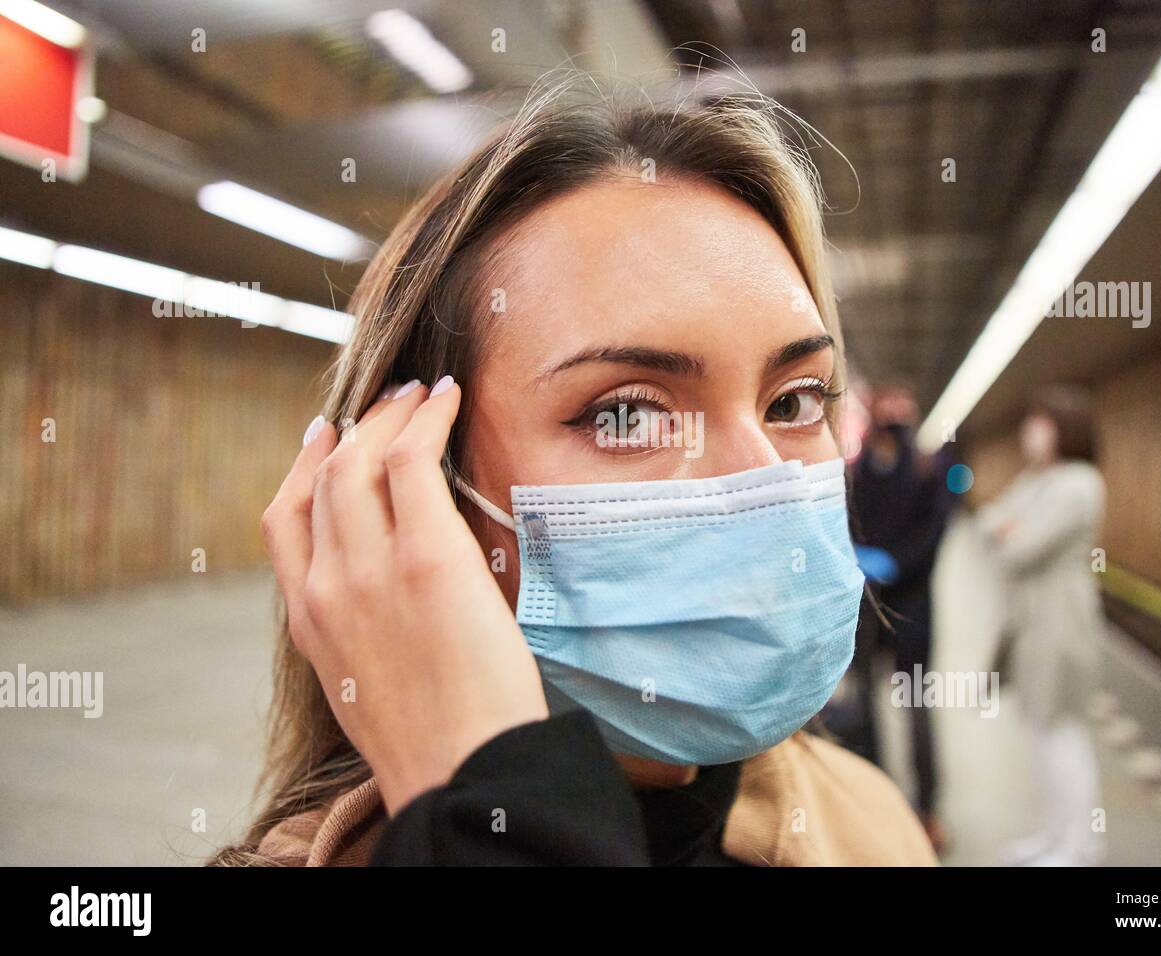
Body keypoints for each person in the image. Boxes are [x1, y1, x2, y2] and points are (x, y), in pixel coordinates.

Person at [208, 77, 936, 867]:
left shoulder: (866, 824)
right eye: (628, 414)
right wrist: (491, 811)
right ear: (406, 486)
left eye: (793, 401)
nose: (762, 485)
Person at [977, 386, 1106, 866]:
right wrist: (1005, 527)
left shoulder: (1079, 483)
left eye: (1041, 423)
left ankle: (1080, 844)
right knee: (1040, 729)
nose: (1030, 433)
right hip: (1032, 624)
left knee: (1061, 732)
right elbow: (989, 519)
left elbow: (1018, 550)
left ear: (1064, 429)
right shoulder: (1038, 481)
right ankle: (1055, 834)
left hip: (1060, 623)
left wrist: (1008, 529)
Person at [842, 381, 953, 854]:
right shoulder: (856, 472)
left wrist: (893, 562)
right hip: (866, 611)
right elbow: (845, 523)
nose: (893, 414)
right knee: (863, 709)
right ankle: (876, 803)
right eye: (886, 405)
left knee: (915, 712)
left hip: (911, 610)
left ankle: (927, 810)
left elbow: (935, 534)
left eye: (901, 406)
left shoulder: (929, 470)